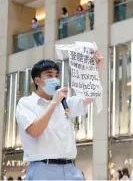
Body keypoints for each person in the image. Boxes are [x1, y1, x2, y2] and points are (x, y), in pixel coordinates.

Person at [15, 51, 103, 180]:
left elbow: (90, 95)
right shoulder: (26, 103)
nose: (54, 79)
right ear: (37, 80)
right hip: (43, 169)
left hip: (70, 169)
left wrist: (95, 69)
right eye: (49, 75)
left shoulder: (65, 103)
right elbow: (34, 130)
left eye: (56, 75)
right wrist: (54, 102)